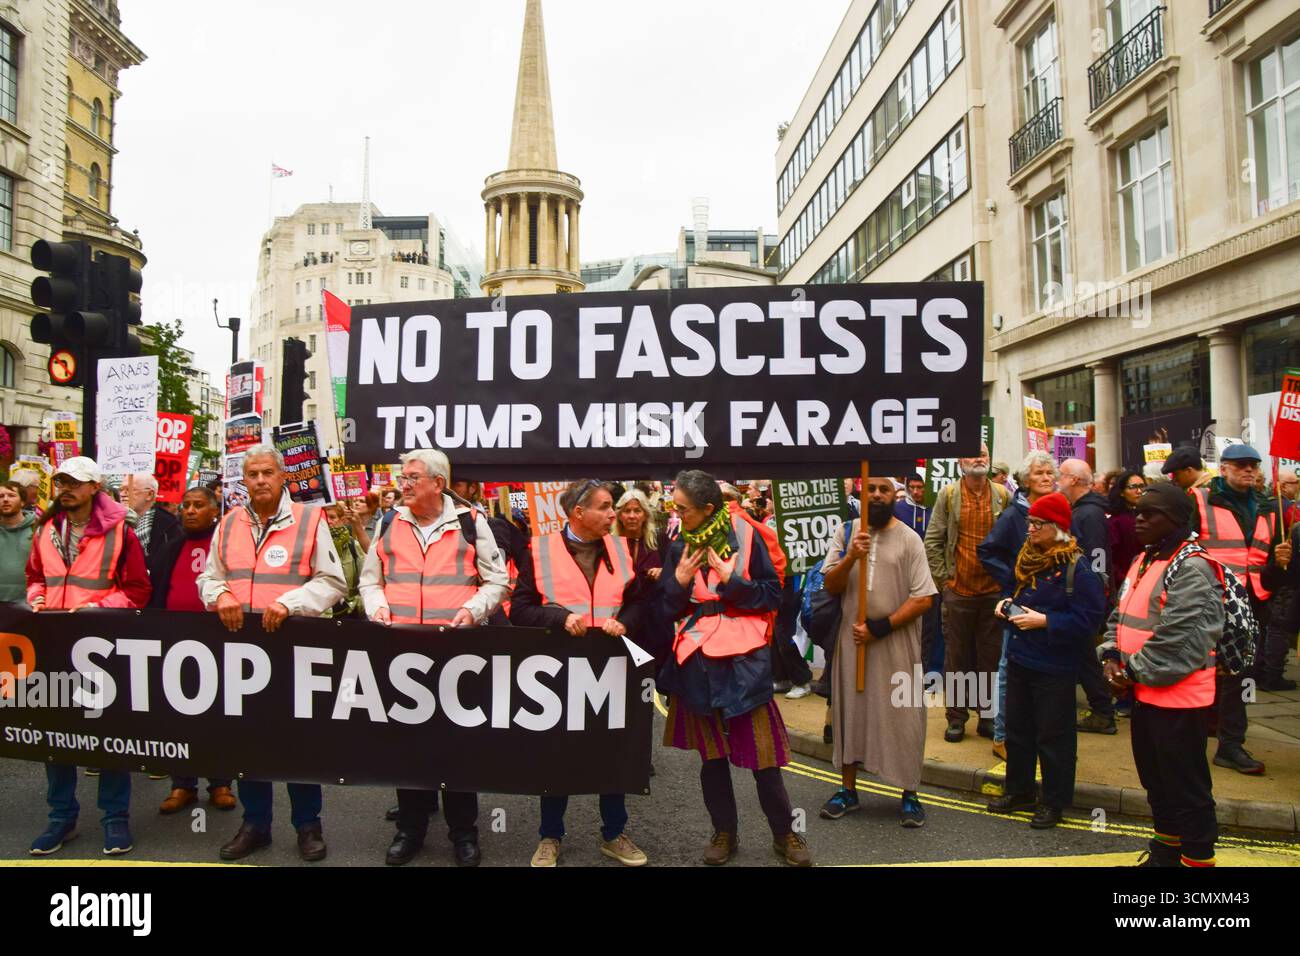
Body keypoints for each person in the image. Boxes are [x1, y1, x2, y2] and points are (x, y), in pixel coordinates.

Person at [197, 444, 346, 862]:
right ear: (243, 481)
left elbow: (333, 583)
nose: (260, 480)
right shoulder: (227, 525)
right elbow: (209, 578)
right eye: (252, 474)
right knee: (250, 740)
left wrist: (290, 603)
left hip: (293, 651)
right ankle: (256, 825)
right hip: (242, 654)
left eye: (267, 473)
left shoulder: (308, 520)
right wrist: (221, 593)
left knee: (297, 741)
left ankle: (307, 825)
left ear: (283, 478)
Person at [657, 470, 811, 866]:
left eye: (683, 509)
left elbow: (772, 595)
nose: (677, 515)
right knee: (712, 759)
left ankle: (785, 834)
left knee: (763, 758)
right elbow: (668, 609)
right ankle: (724, 831)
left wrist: (732, 582)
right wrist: (677, 581)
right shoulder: (677, 543)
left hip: (745, 661)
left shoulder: (748, 534)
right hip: (698, 660)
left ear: (708, 509)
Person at [360, 449, 507, 866]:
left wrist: (473, 611)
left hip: (455, 655)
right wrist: (377, 608)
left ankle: (464, 833)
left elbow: (497, 582)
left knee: (456, 745)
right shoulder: (390, 522)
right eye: (403, 478)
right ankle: (410, 830)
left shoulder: (471, 523)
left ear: (438, 484)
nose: (402, 485)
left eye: (411, 478)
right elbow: (371, 581)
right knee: (408, 745)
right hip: (402, 655)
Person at [510, 479, 649, 868]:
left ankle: (613, 834)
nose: (613, 515)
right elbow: (519, 610)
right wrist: (559, 617)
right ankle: (550, 835)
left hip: (610, 666)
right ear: (578, 513)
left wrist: (625, 622)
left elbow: (639, 603)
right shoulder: (538, 551)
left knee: (612, 751)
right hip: (558, 670)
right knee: (557, 752)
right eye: (605, 507)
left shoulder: (620, 550)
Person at [25, 456, 151, 856]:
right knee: (54, 735)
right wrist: (38, 599)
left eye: (75, 483)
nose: (66, 488)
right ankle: (61, 819)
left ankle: (115, 819)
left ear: (95, 487)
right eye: (61, 482)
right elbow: (35, 578)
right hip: (53, 646)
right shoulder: (45, 528)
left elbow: (137, 590)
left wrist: (100, 609)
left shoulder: (120, 533)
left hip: (103, 650)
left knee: (109, 737)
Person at [1099, 484, 1223, 867]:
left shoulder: (1193, 567)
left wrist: (1129, 672)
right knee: (1157, 784)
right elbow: (1119, 618)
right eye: (1138, 510)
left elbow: (1180, 641)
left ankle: (1197, 861)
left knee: (1187, 790)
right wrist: (1110, 656)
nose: (1139, 518)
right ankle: (1165, 854)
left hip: (1180, 700)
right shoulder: (1144, 560)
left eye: (1150, 513)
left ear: (1176, 520)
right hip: (1144, 693)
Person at [818, 476, 936, 827]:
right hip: (853, 642)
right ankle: (848, 791)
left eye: (884, 489)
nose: (877, 495)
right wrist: (852, 555)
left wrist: (879, 628)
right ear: (861, 491)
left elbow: (924, 597)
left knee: (905, 717)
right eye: (871, 489)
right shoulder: (846, 532)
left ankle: (910, 793)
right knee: (851, 713)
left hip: (895, 641)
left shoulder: (910, 538)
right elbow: (831, 584)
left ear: (894, 494)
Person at [986, 493, 1107, 828]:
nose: (1031, 530)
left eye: (1038, 524)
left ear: (1058, 527)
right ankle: (1019, 790)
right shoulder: (1028, 558)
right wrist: (1005, 604)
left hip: (1055, 666)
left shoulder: (1077, 567)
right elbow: (1015, 592)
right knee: (1018, 731)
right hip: (1021, 658)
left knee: (1054, 738)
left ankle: (1054, 802)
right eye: (1030, 523)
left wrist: (1047, 621)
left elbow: (1090, 621)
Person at [1189, 444, 1291, 770]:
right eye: (1241, 464)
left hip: (1252, 603)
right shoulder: (1201, 500)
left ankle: (1230, 745)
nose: (1249, 470)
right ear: (1225, 468)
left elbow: (1270, 570)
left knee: (1238, 675)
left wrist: (1281, 562)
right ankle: (1188, 735)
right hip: (1209, 601)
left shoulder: (1268, 507)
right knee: (1198, 671)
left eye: (1253, 465)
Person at [146, 485, 236, 814]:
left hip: (218, 644)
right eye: (186, 505)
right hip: (175, 644)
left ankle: (221, 782)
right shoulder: (171, 547)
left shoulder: (226, 546)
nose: (190, 511)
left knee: (217, 717)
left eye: (199, 505)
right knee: (179, 717)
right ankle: (182, 784)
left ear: (215, 511)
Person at [925, 443, 1012, 744]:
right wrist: (945, 583)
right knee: (957, 658)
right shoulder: (948, 495)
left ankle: (987, 717)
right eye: (973, 453)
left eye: (984, 454)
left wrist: (1007, 584)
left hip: (992, 593)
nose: (979, 458)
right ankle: (956, 718)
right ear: (961, 461)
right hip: (959, 591)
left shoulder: (1002, 494)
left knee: (991, 658)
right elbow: (933, 541)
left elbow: (1012, 541)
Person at [978, 451, 1057, 759]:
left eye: (1050, 472)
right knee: (1008, 669)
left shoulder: (1060, 511)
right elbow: (987, 550)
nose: (1047, 477)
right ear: (1026, 480)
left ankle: (1030, 734)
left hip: (1048, 604)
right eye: (1040, 473)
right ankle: (1001, 736)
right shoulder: (1014, 515)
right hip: (1020, 601)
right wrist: (1013, 578)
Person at [1058, 458, 1117, 735]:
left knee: (1084, 653)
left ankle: (1103, 710)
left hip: (1085, 594)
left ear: (1073, 480)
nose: (1058, 481)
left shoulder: (1088, 514)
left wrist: (1092, 591)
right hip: (1084, 592)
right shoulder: (1084, 511)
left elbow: (1096, 557)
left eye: (1061, 476)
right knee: (1080, 652)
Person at [1106, 470, 1146, 594]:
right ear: (1122, 492)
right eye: (1133, 487)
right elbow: (1108, 557)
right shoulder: (1114, 521)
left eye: (1142, 486)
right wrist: (1124, 579)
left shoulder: (1145, 515)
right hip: (1124, 584)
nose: (1139, 491)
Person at [614, 487, 665, 584]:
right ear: (620, 516)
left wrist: (662, 572)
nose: (632, 516)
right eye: (627, 511)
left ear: (645, 515)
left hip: (655, 598)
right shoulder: (612, 544)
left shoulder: (659, 539)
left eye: (637, 511)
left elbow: (673, 572)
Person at [322, 503, 365, 618]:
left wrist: (358, 603)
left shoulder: (353, 546)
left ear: (342, 520)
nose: (328, 521)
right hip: (323, 615)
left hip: (349, 612)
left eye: (332, 517)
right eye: (324, 518)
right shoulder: (313, 546)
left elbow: (366, 580)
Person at [123, 473, 181, 559]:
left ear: (149, 495)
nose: (123, 494)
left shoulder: (168, 526)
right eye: (121, 490)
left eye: (130, 489)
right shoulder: (114, 522)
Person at [0, 481, 35, 602]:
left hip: (28, 605)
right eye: (1, 496)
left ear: (23, 502)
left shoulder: (37, 528)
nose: (5, 499)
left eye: (11, 495)